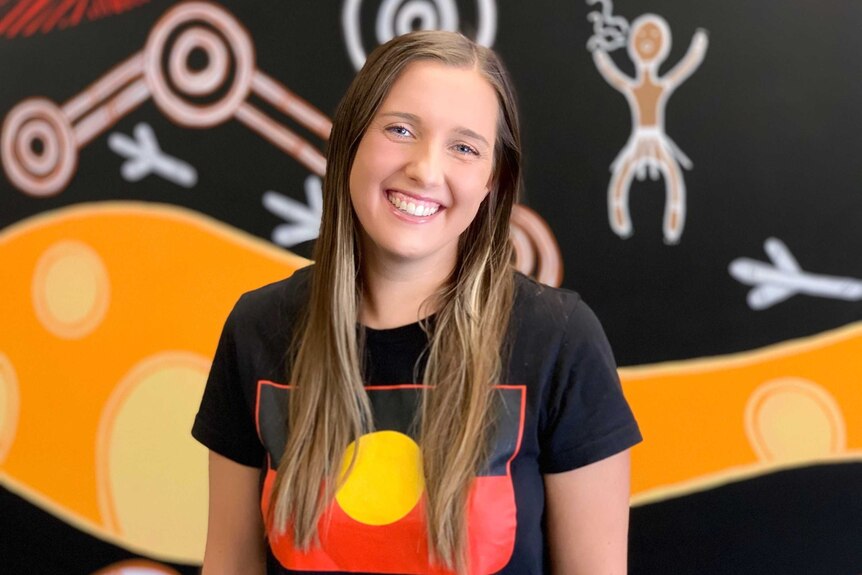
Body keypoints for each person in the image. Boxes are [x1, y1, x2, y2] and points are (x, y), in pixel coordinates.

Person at [192, 30, 642, 575]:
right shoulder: (258, 329)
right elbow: (231, 563)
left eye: (465, 147)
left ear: (492, 182)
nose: (426, 169)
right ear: (350, 141)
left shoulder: (559, 340)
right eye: (401, 129)